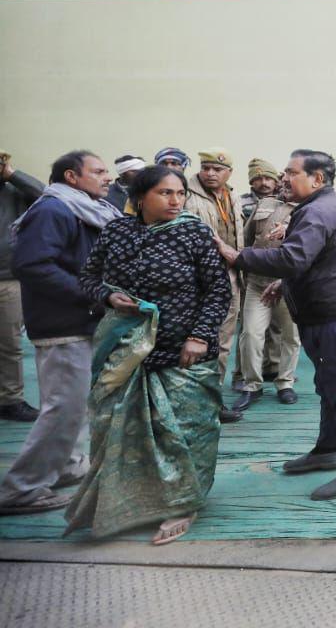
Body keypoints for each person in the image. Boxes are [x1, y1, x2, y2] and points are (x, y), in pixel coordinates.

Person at [69, 165, 232, 544]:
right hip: (127, 350)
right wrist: (108, 296)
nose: (176, 200)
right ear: (140, 198)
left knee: (183, 431)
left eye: (179, 194)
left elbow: (218, 291)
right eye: (165, 193)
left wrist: (199, 336)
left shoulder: (193, 232)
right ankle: (134, 500)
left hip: (182, 354)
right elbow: (89, 278)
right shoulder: (117, 231)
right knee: (119, 428)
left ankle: (181, 504)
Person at [219, 150, 336, 501]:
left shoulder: (318, 210)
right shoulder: (321, 206)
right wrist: (286, 285)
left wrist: (237, 255)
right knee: (329, 385)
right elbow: (323, 260)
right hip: (332, 310)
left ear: (317, 179)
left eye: (292, 172)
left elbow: (293, 257)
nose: (283, 178)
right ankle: (327, 450)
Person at [0, 151, 117, 515]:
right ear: (71, 176)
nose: (107, 177)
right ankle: (21, 490)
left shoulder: (78, 209)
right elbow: (32, 264)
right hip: (63, 324)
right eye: (98, 171)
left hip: (78, 321)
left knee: (75, 405)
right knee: (62, 408)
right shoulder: (54, 210)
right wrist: (93, 295)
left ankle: (64, 465)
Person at [232, 163, 301, 411]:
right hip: (258, 282)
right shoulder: (264, 204)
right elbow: (247, 238)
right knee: (251, 333)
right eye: (285, 179)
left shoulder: (308, 210)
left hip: (290, 283)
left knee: (291, 336)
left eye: (292, 179)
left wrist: (290, 229)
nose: (286, 183)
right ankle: (252, 385)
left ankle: (285, 383)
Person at [185, 151, 245, 380]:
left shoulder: (233, 195)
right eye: (205, 167)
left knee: (224, 339)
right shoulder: (186, 194)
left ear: (229, 173)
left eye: (217, 169)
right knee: (196, 339)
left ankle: (214, 394)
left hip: (230, 275)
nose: (210, 173)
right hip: (197, 277)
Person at [0, 153, 44, 422]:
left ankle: (9, 399)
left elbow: (44, 194)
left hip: (8, 279)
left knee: (9, 345)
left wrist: (12, 174)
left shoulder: (14, 191)